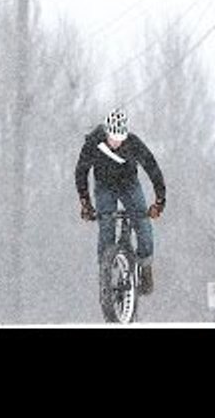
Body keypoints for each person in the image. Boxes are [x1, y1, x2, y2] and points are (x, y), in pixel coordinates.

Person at [75, 108, 166, 295]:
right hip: (104, 187)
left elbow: (152, 167)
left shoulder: (133, 143)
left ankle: (145, 267)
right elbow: (81, 171)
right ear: (106, 132)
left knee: (143, 224)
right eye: (113, 138)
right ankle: (106, 271)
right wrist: (85, 201)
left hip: (129, 186)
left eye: (120, 138)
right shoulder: (93, 143)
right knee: (106, 225)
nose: (116, 142)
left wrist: (159, 200)